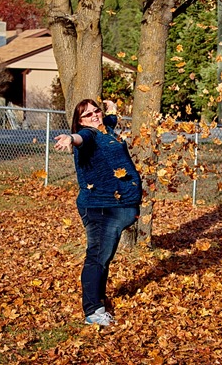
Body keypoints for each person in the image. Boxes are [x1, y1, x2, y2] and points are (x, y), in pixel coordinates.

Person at [54, 99, 143, 326]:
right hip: (100, 208)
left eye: (96, 111)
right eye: (87, 114)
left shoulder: (105, 128)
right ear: (80, 121)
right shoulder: (89, 134)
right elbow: (81, 138)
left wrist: (111, 108)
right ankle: (93, 311)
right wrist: (70, 138)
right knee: (97, 258)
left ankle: (99, 301)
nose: (94, 115)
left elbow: (110, 119)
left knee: (104, 257)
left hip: (116, 207)